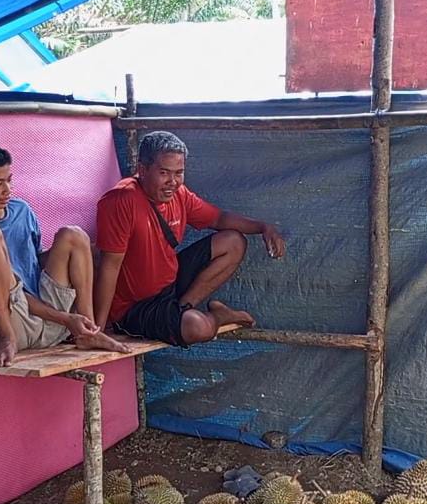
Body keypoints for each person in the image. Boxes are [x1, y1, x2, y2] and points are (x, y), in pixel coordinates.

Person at [94, 131, 286, 346]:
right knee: (199, 328)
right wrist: (99, 328)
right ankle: (217, 317)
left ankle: (184, 307)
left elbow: (219, 218)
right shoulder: (121, 200)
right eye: (164, 173)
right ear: (143, 169)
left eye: (179, 173)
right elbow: (109, 266)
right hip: (135, 306)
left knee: (233, 242)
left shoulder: (179, 193)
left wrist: (263, 227)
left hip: (170, 286)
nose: (173, 182)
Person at [0, 140, 128, 367]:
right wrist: (65, 318)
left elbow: (32, 266)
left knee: (73, 235)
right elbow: (12, 289)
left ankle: (88, 330)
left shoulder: (22, 210)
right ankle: (7, 336)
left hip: (51, 323)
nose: (7, 190)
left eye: (9, 181)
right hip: (11, 322)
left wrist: (70, 262)